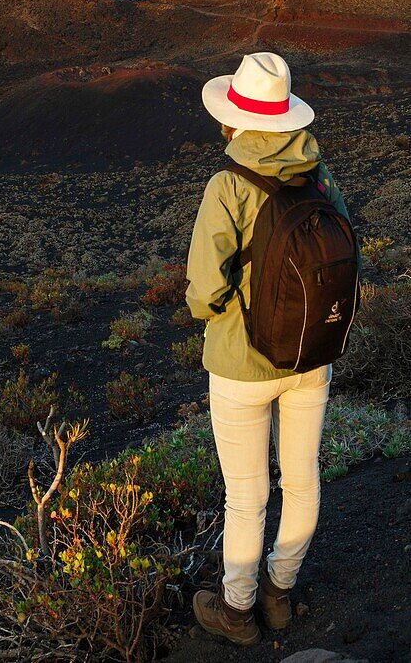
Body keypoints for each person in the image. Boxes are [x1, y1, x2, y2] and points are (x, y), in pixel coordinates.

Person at [185, 51, 352, 647]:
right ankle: (280, 595)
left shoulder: (228, 184)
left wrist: (217, 310)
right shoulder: (318, 173)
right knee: (302, 482)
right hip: (312, 356)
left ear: (234, 119)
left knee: (247, 496)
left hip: (241, 365)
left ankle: (237, 612)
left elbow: (204, 291)